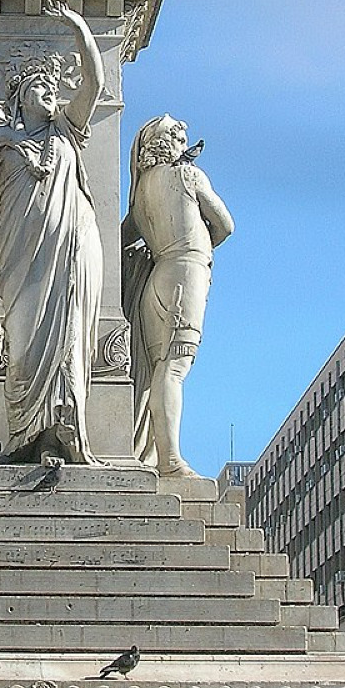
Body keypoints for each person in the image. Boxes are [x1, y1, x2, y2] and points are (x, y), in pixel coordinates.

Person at [0, 1, 104, 463]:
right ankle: (26, 434)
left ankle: (68, 430)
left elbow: (96, 83)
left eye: (53, 87)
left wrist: (78, 28)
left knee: (70, 332)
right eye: (40, 85)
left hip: (71, 248)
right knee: (24, 340)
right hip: (22, 255)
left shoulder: (68, 131)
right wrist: (7, 137)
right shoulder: (1, 144)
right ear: (18, 97)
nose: (50, 91)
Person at [122, 116, 234, 476]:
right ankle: (170, 460)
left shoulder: (139, 195)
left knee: (161, 368)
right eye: (180, 138)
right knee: (174, 368)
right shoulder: (189, 176)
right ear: (166, 143)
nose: (185, 145)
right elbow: (226, 224)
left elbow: (119, 239)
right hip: (186, 272)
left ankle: (160, 454)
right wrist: (199, 246)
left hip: (156, 278)